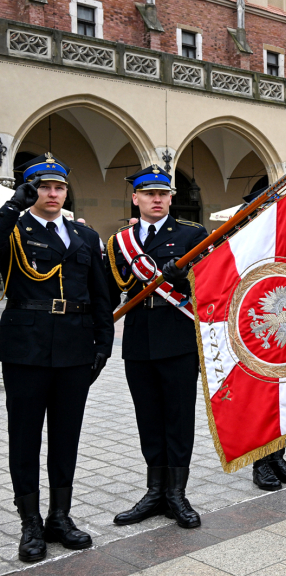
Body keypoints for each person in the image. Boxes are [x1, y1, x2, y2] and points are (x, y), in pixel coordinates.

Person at [1, 154, 113, 562]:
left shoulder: (84, 238)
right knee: (25, 437)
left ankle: (59, 517)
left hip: (74, 347)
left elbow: (101, 294)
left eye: (59, 187)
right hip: (25, 349)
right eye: (43, 187)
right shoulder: (14, 228)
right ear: (30, 190)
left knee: (66, 436)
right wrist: (13, 205)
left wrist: (104, 343)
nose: (52, 193)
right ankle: (30, 523)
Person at [106, 165, 206, 529]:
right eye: (149, 194)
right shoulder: (120, 242)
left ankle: (177, 494)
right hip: (138, 340)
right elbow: (108, 290)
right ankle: (154, 492)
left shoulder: (192, 234)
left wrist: (189, 278)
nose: (157, 199)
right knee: (148, 419)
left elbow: (214, 281)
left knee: (178, 418)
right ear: (136, 198)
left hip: (178, 336)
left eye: (163, 194)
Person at [232, 188, 286, 491]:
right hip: (250, 332)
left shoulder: (283, 239)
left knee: (283, 394)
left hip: (280, 337)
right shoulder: (240, 240)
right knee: (260, 397)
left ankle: (278, 456)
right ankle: (261, 462)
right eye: (264, 209)